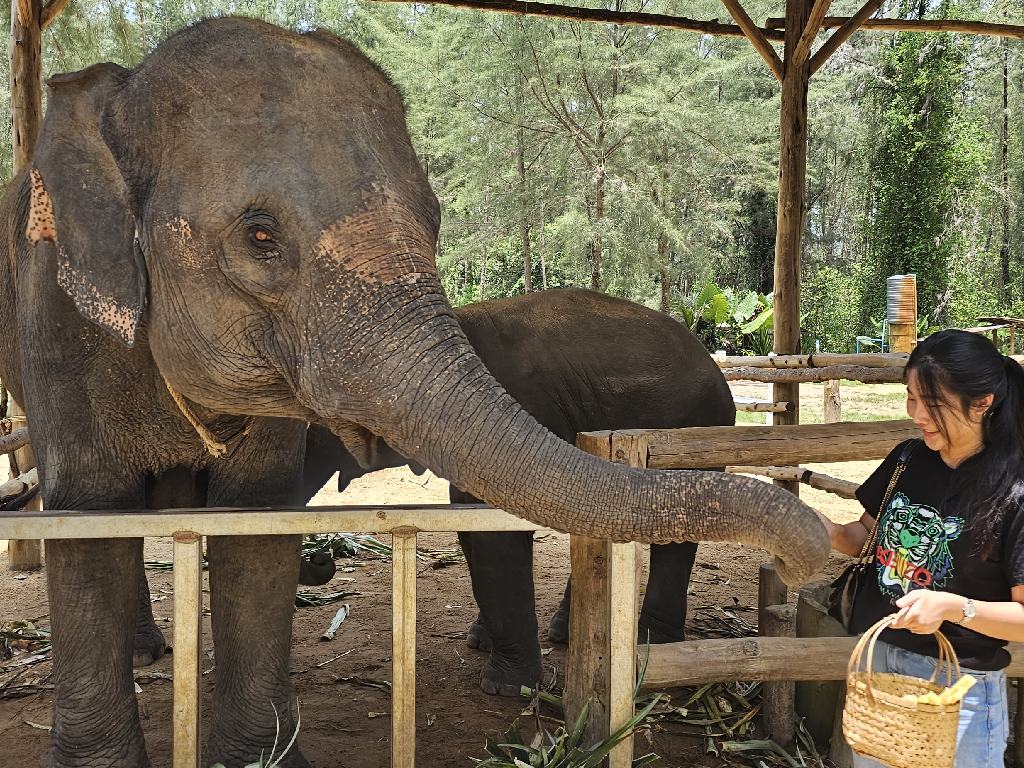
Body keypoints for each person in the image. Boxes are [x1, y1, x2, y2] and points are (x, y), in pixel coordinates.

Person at [816, 329, 1024, 768]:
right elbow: (863, 538)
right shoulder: (909, 460)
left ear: (982, 401)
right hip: (875, 670)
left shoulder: (1013, 490)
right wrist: (825, 530)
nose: (917, 414)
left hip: (958, 688)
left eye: (932, 403)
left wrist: (954, 607)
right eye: (911, 397)